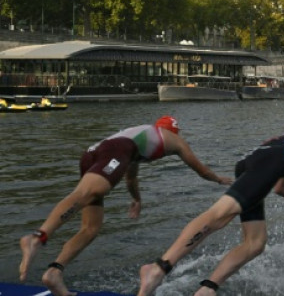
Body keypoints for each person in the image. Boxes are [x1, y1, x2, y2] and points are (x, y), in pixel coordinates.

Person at [136, 109, 284, 296]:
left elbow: (280, 187)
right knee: (219, 215)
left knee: (255, 243)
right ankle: (158, 268)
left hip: (254, 160)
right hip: (268, 165)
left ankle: (207, 289)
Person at [18, 116, 232, 296]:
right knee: (87, 193)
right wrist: (219, 179)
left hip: (93, 154)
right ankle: (38, 237)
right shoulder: (173, 140)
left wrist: (136, 199)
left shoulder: (139, 140)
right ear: (173, 131)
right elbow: (200, 169)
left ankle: (54, 272)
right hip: (113, 151)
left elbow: (130, 178)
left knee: (91, 228)